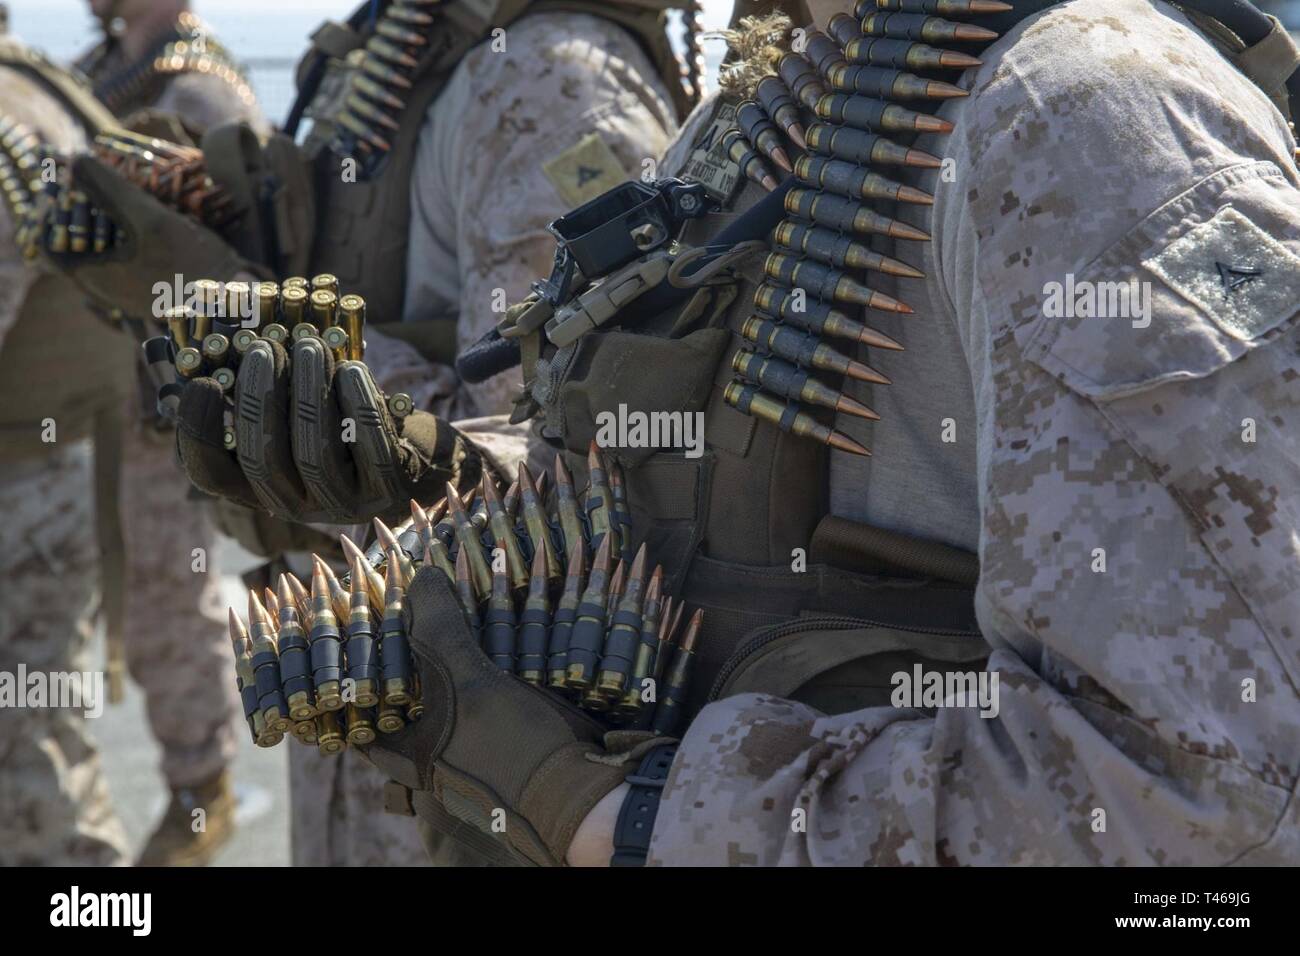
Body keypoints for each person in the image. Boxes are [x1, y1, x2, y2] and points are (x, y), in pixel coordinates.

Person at [336, 0, 1300, 866]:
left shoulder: (1082, 118)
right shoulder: (764, 103)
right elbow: (666, 499)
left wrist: (622, 825)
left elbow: (1209, 789)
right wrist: (427, 463)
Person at [62, 0, 690, 865]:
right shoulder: (387, 53)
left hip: (473, 750)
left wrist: (225, 296)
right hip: (360, 701)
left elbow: (555, 475)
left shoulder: (548, 80)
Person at [74, 0, 267, 866]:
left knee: (167, 594)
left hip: (165, 405)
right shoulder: (97, 75)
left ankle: (201, 790)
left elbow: (257, 271)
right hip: (88, 396)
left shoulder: (202, 90)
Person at [0, 27, 134, 867]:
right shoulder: (34, 86)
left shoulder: (12, 113)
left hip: (23, 493)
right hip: (47, 478)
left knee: (25, 768)